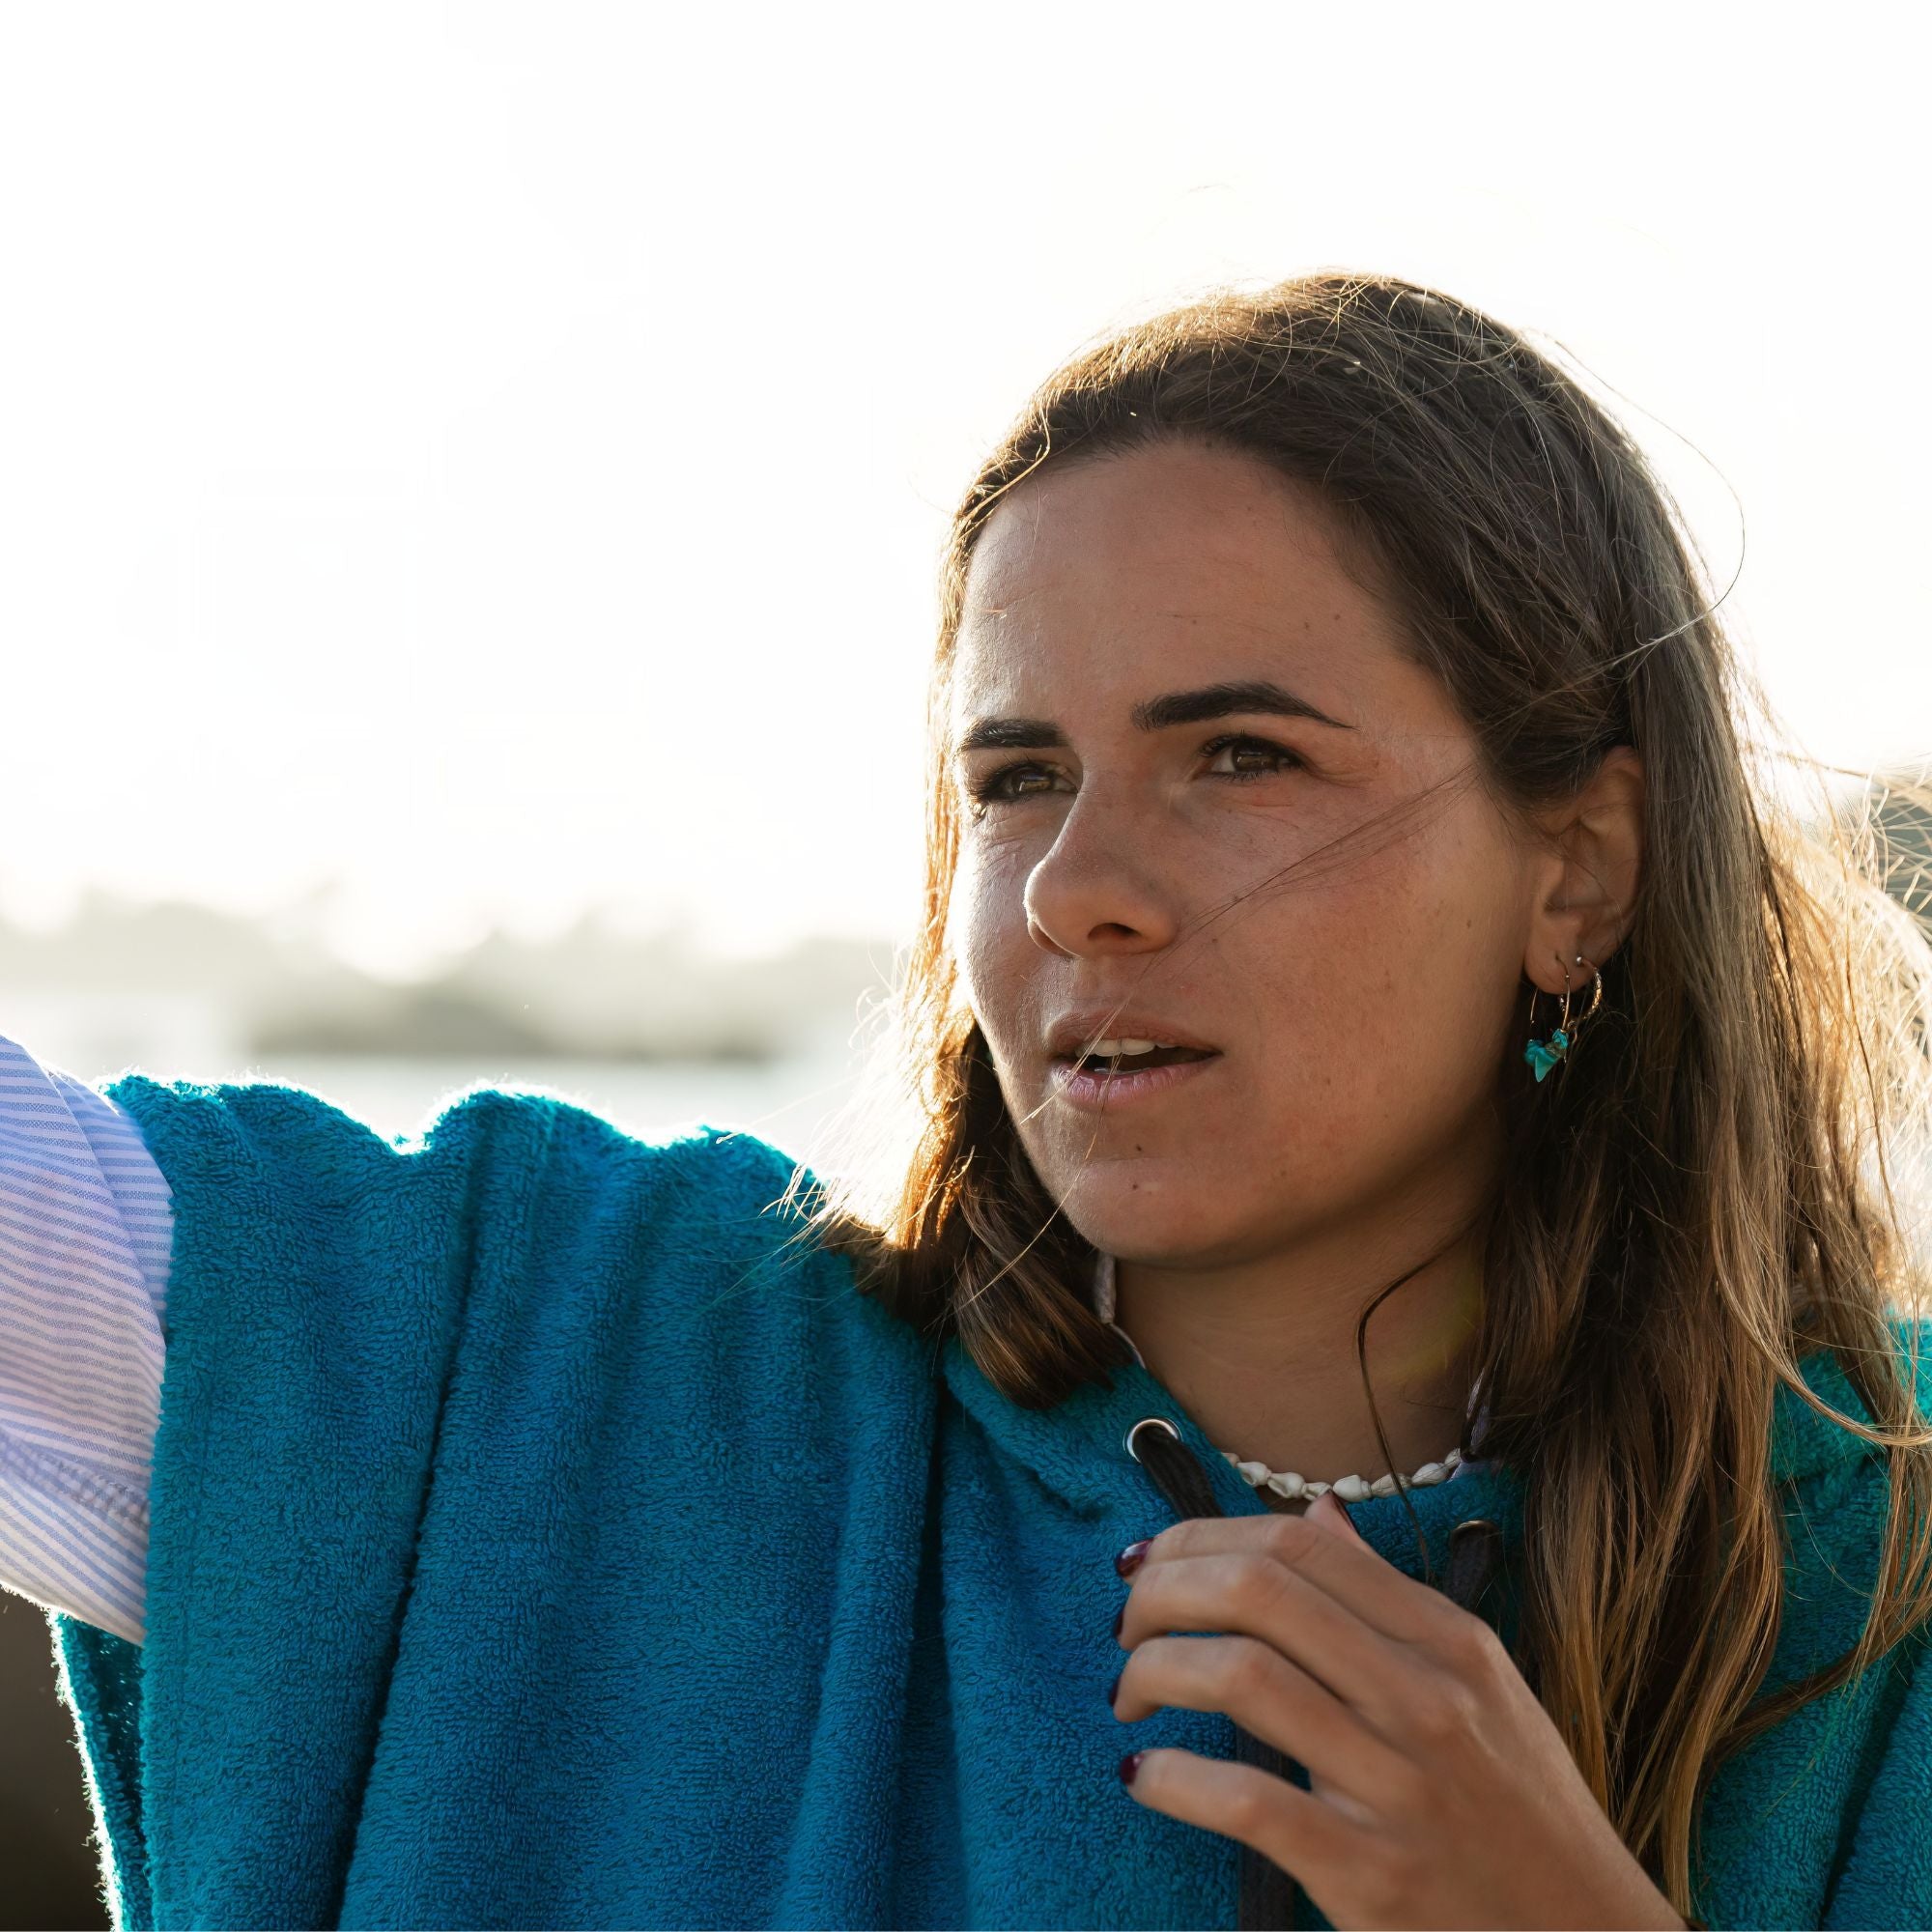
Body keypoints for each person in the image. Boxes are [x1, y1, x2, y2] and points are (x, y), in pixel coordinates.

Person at [5, 271, 1931, 1932]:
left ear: (1576, 866)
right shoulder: (559, 1367)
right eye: (1013, 778)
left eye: (1238, 756)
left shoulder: (1886, 1576)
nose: (1076, 883)